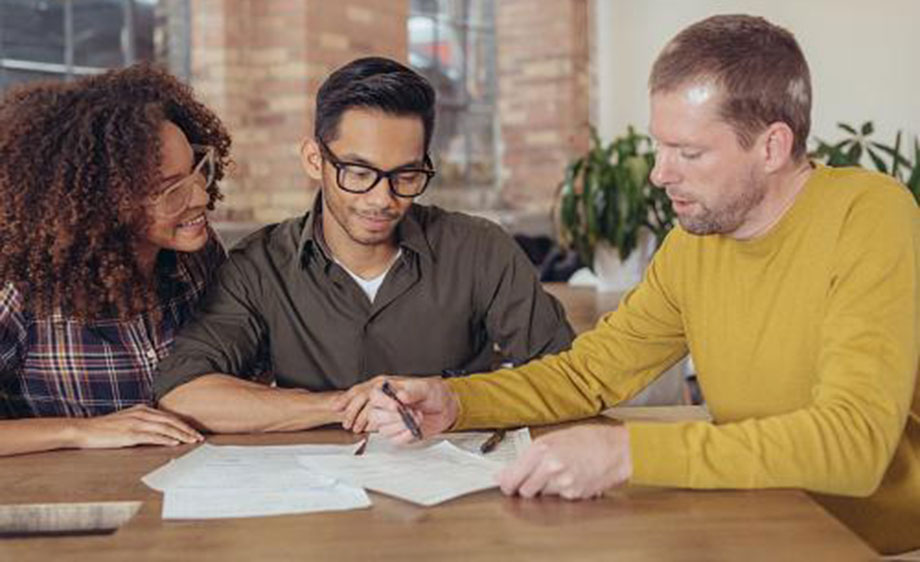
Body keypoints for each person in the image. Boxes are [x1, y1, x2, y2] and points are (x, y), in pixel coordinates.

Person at [368, 15, 920, 556]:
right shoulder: (695, 242)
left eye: (689, 152)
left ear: (772, 147)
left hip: (871, 541)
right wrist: (455, 401)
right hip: (755, 512)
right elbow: (588, 375)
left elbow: (855, 444)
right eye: (660, 146)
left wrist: (627, 451)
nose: (660, 174)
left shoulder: (870, 215)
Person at [154, 57, 574, 434]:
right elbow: (183, 392)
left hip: (456, 502)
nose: (383, 199)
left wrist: (459, 399)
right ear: (315, 160)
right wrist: (345, 405)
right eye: (358, 173)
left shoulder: (480, 250)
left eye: (406, 176)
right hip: (317, 499)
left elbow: (568, 377)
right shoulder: (260, 266)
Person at [0, 64, 231, 456]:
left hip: (192, 494)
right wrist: (78, 432)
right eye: (170, 190)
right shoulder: (22, 290)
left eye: (196, 171)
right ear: (102, 207)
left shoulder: (198, 258)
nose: (200, 198)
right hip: (74, 507)